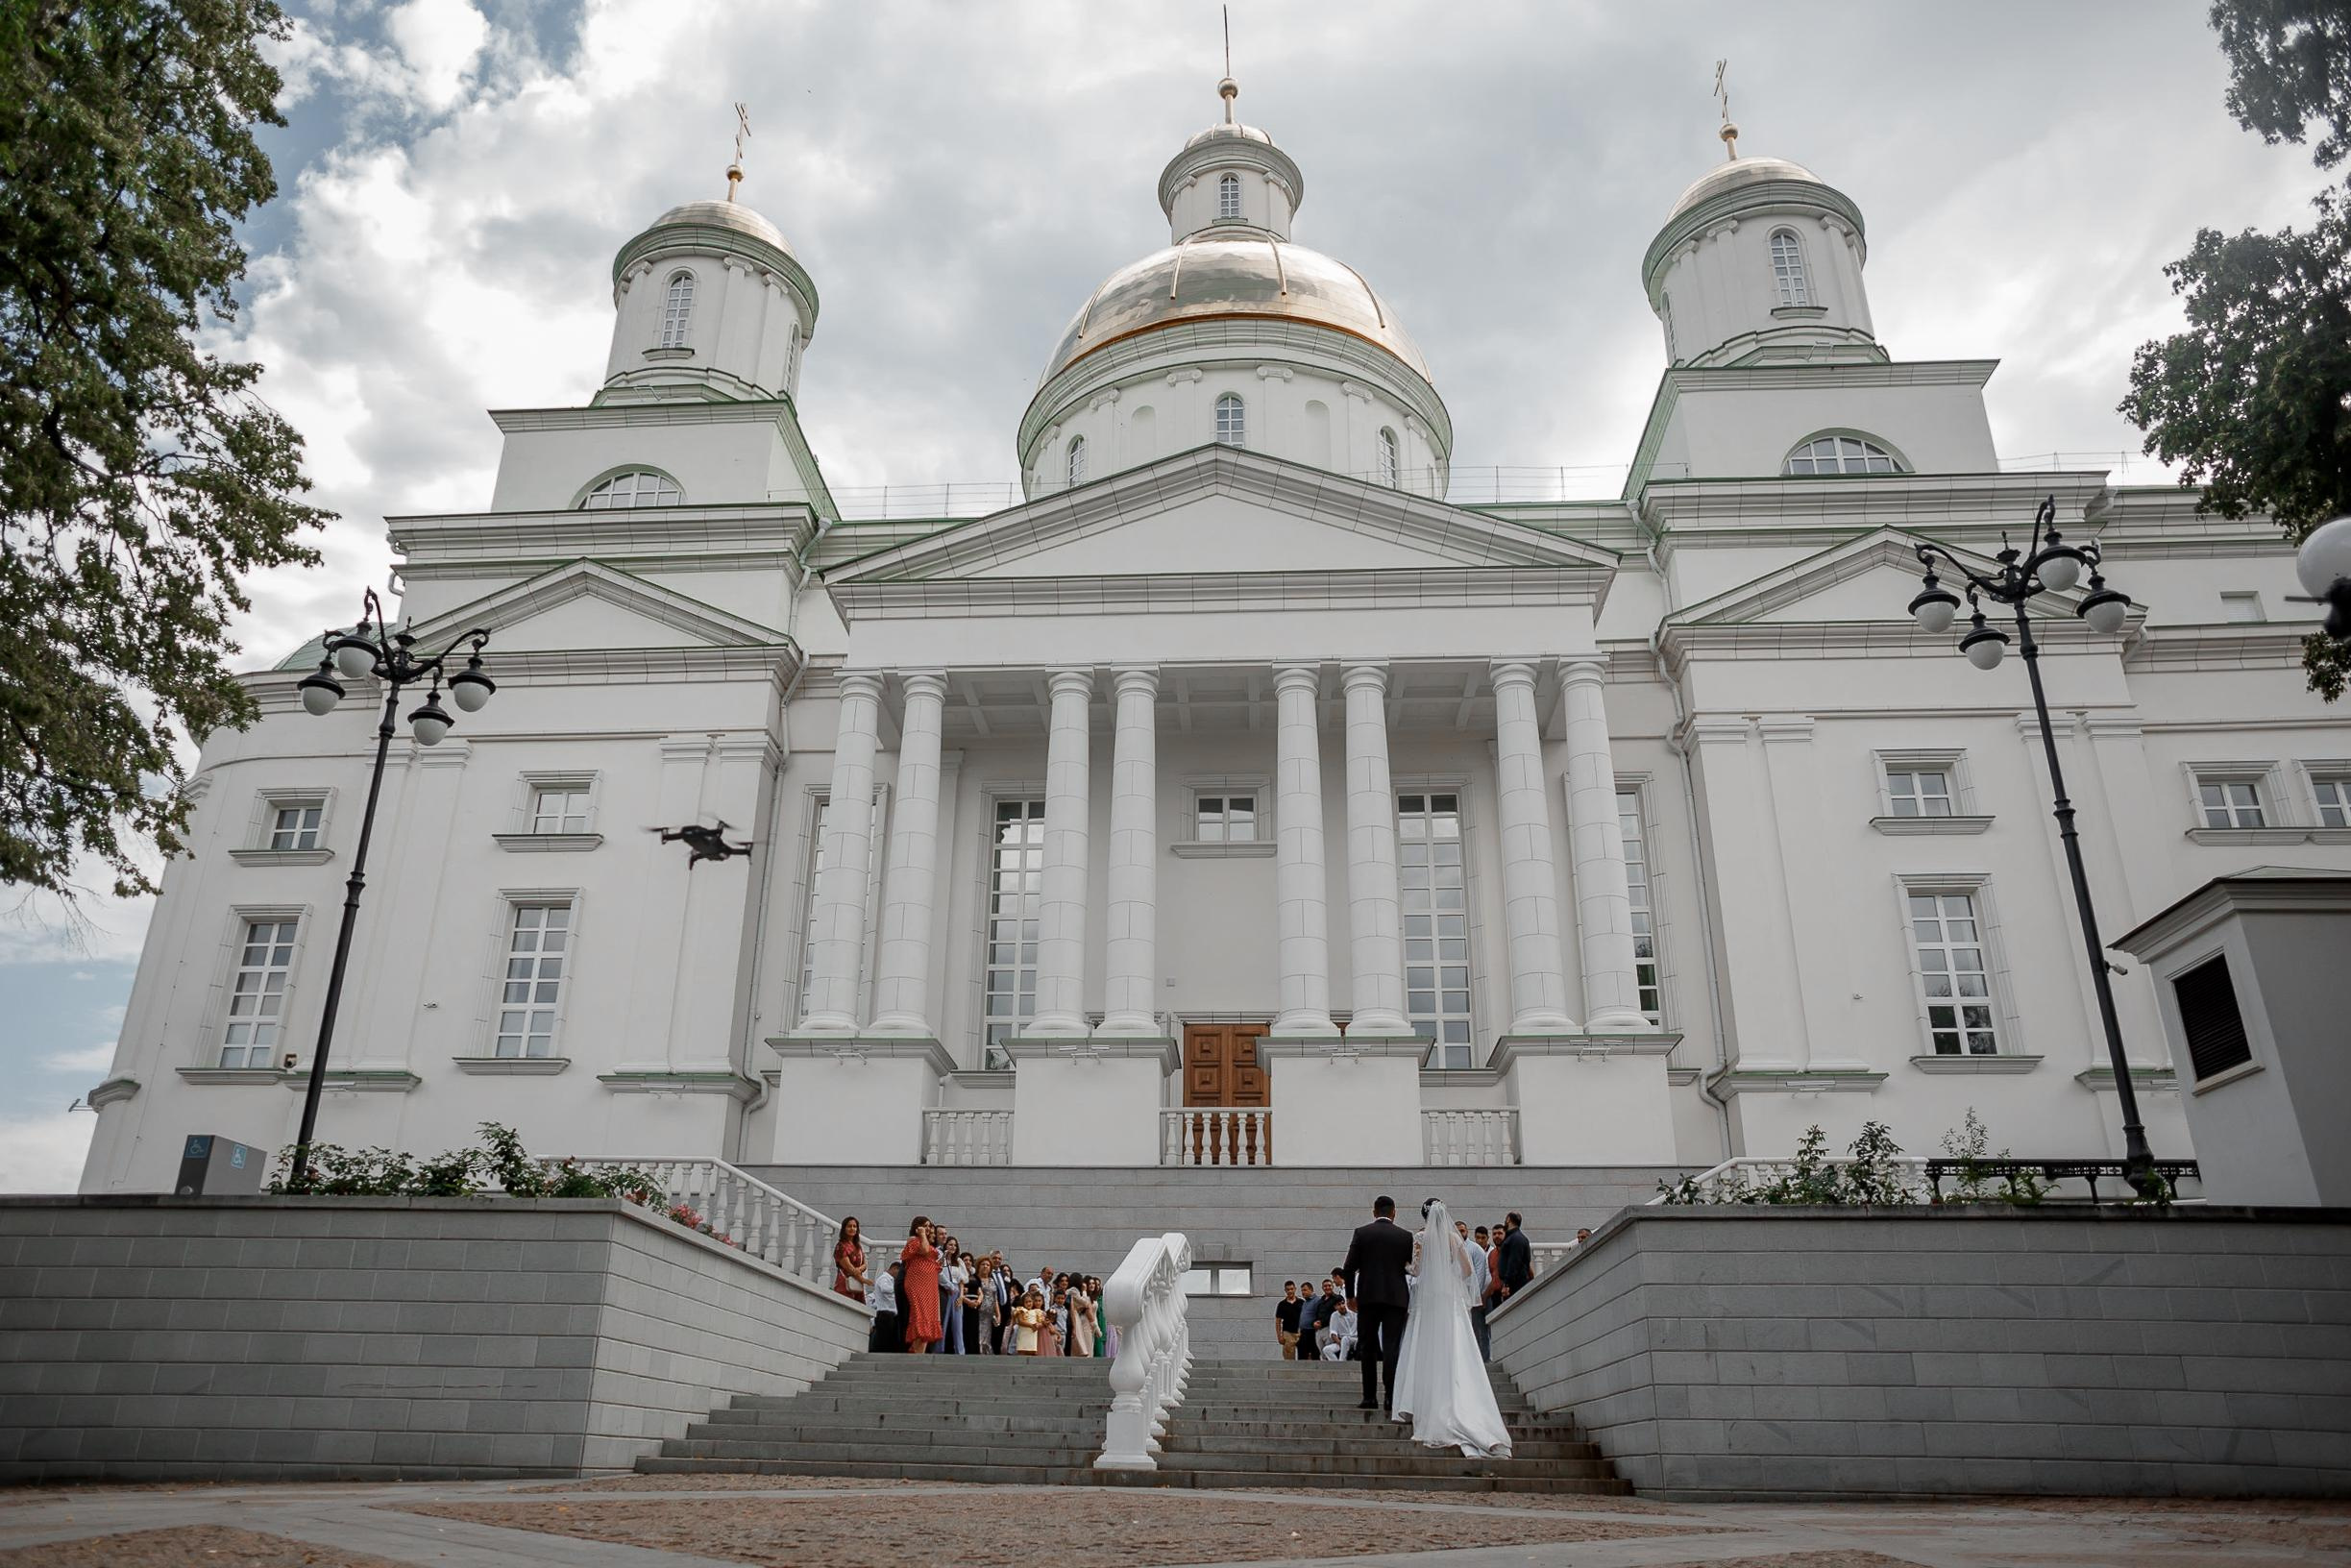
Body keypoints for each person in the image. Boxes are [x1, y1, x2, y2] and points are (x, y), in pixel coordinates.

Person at [1389, 1198, 1513, 1457]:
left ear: (1424, 1216)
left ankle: (1421, 1400)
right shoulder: (1455, 1239)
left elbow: (1417, 1269)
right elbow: (1467, 1270)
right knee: (1457, 1346)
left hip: (1429, 1298)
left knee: (1426, 1346)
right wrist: (1450, 1279)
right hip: (1450, 1298)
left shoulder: (1421, 1238)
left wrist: (1407, 1268)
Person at [1340, 1196, 1414, 1411]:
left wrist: (1350, 1295)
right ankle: (1391, 1397)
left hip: (1368, 1297)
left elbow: (1348, 1268)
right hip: (1396, 1298)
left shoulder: (1362, 1233)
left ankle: (1369, 1397)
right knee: (1391, 1347)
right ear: (1394, 1213)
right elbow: (1411, 1267)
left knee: (1368, 1347)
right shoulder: (1405, 1236)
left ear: (1374, 1212)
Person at [900, 1217, 943, 1353]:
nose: (929, 1229)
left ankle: (919, 1351)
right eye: (925, 1226)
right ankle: (916, 1351)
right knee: (920, 1314)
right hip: (917, 1283)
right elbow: (924, 1250)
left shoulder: (927, 1242)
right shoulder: (914, 1240)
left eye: (929, 1226)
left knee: (929, 1317)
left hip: (929, 1285)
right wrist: (922, 1234)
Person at [1469, 1224, 1496, 1362]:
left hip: (1489, 1294)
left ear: (1487, 1238)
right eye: (1478, 1237)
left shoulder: (1492, 1252)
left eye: (1483, 1238)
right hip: (1476, 1295)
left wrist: (1485, 1294)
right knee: (1479, 1328)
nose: (1480, 1240)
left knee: (1491, 1326)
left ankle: (1492, 1355)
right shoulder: (1472, 1250)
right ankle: (1483, 1357)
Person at [1494, 1211, 1532, 1305]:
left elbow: (1514, 1262)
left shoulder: (1516, 1239)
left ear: (1508, 1220)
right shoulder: (1514, 1238)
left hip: (1515, 1285)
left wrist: (1507, 1284)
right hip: (1514, 1283)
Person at [833, 1215, 869, 1303]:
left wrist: (859, 1269)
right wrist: (861, 1276)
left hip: (857, 1282)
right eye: (849, 1226)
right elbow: (848, 1267)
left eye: (854, 1226)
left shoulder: (858, 1246)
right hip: (845, 1282)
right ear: (844, 1229)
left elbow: (864, 1264)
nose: (852, 1228)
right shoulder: (841, 1246)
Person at [869, 1260, 902, 1353]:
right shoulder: (884, 1278)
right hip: (884, 1313)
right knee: (883, 1338)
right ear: (895, 1269)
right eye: (899, 1272)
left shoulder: (891, 1280)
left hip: (890, 1314)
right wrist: (897, 1288)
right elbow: (885, 1289)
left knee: (889, 1339)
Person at [1011, 1286, 1047, 1355]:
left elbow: (1040, 1322)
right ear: (1023, 1303)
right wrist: (1031, 1325)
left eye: (1030, 1301)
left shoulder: (1037, 1312)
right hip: (1023, 1334)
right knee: (1022, 1351)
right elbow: (1020, 1321)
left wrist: (1041, 1324)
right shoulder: (1021, 1310)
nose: (1029, 1303)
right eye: (1026, 1302)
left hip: (1032, 1335)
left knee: (1032, 1351)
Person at [1067, 1276, 1098, 1359]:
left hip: (1078, 1316)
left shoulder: (1074, 1291)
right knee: (1082, 1341)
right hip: (1080, 1319)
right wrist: (1084, 1291)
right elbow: (1085, 1303)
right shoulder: (1074, 1290)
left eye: (1093, 1283)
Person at [1322, 1295, 1359, 1361]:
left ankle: (1342, 1361)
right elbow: (1333, 1333)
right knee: (1326, 1350)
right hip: (1341, 1341)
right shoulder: (1334, 1315)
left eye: (1343, 1303)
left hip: (1355, 1339)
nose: (1342, 1306)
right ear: (1335, 1307)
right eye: (1339, 1305)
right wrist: (1340, 1343)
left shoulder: (1354, 1314)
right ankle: (1337, 1366)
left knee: (1345, 1339)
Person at [1274, 1281, 1303, 1360]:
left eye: (1291, 1289)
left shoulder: (1302, 1302)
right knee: (1289, 1358)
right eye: (1288, 1289)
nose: (1290, 1291)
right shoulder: (1282, 1304)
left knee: (1304, 1356)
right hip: (1288, 1333)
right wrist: (1279, 1336)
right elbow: (1278, 1321)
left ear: (1295, 1289)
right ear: (1285, 1291)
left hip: (1300, 1332)